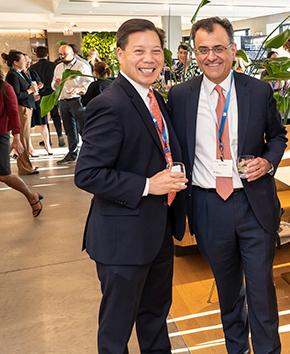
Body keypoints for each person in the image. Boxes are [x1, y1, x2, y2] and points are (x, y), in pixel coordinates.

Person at [167, 16, 287, 354]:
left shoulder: (258, 90)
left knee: (261, 290)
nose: (211, 57)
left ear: (233, 50)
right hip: (207, 206)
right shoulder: (180, 96)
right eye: (203, 50)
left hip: (253, 203)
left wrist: (268, 161)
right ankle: (237, 350)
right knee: (228, 289)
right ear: (194, 53)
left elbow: (277, 137)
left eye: (218, 48)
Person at [75, 18, 188, 354]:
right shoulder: (109, 104)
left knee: (154, 318)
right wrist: (146, 185)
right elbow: (88, 173)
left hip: (157, 233)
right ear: (120, 54)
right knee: (116, 331)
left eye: (155, 51)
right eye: (139, 51)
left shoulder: (155, 99)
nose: (149, 59)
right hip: (121, 241)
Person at [0, 75, 43, 217]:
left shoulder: (6, 88)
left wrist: (16, 138)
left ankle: (32, 196)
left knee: (4, 175)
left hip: (1, 135)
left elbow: (13, 113)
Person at [52, 44, 92, 164]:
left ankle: (89, 154)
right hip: (63, 101)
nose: (62, 56)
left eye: (65, 54)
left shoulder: (82, 66)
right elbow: (53, 83)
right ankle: (72, 153)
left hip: (77, 101)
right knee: (69, 130)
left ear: (72, 54)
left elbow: (90, 83)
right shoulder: (58, 67)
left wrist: (79, 88)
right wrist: (55, 85)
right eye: (60, 54)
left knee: (82, 128)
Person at [3, 50, 39, 175]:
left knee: (26, 137)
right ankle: (25, 167)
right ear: (15, 62)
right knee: (23, 138)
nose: (26, 62)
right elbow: (16, 95)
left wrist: (32, 95)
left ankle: (27, 165)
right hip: (21, 108)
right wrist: (29, 91)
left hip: (26, 106)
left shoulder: (20, 73)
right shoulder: (13, 75)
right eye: (23, 60)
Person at [30, 46, 65, 148]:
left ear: (36, 55)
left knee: (44, 119)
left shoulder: (33, 68)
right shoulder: (54, 65)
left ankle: (47, 140)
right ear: (47, 54)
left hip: (40, 95)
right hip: (53, 93)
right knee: (55, 116)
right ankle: (60, 135)